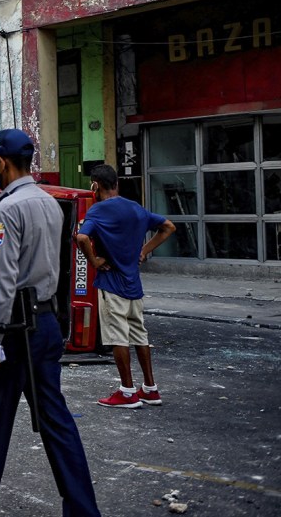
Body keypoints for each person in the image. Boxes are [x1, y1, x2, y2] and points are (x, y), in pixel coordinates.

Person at [0, 129, 100, 517]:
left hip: (14, 330)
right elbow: (38, 267)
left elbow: (5, 275)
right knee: (57, 423)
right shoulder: (48, 202)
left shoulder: (7, 208)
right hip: (44, 323)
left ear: (0, 162)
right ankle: (82, 510)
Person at [75, 164, 176, 409]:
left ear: (95, 186)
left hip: (112, 285)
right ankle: (150, 388)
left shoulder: (98, 211)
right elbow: (168, 227)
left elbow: (81, 237)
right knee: (140, 335)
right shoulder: (136, 208)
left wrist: (95, 261)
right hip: (134, 285)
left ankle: (127, 391)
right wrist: (144, 250)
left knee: (118, 337)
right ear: (117, 184)